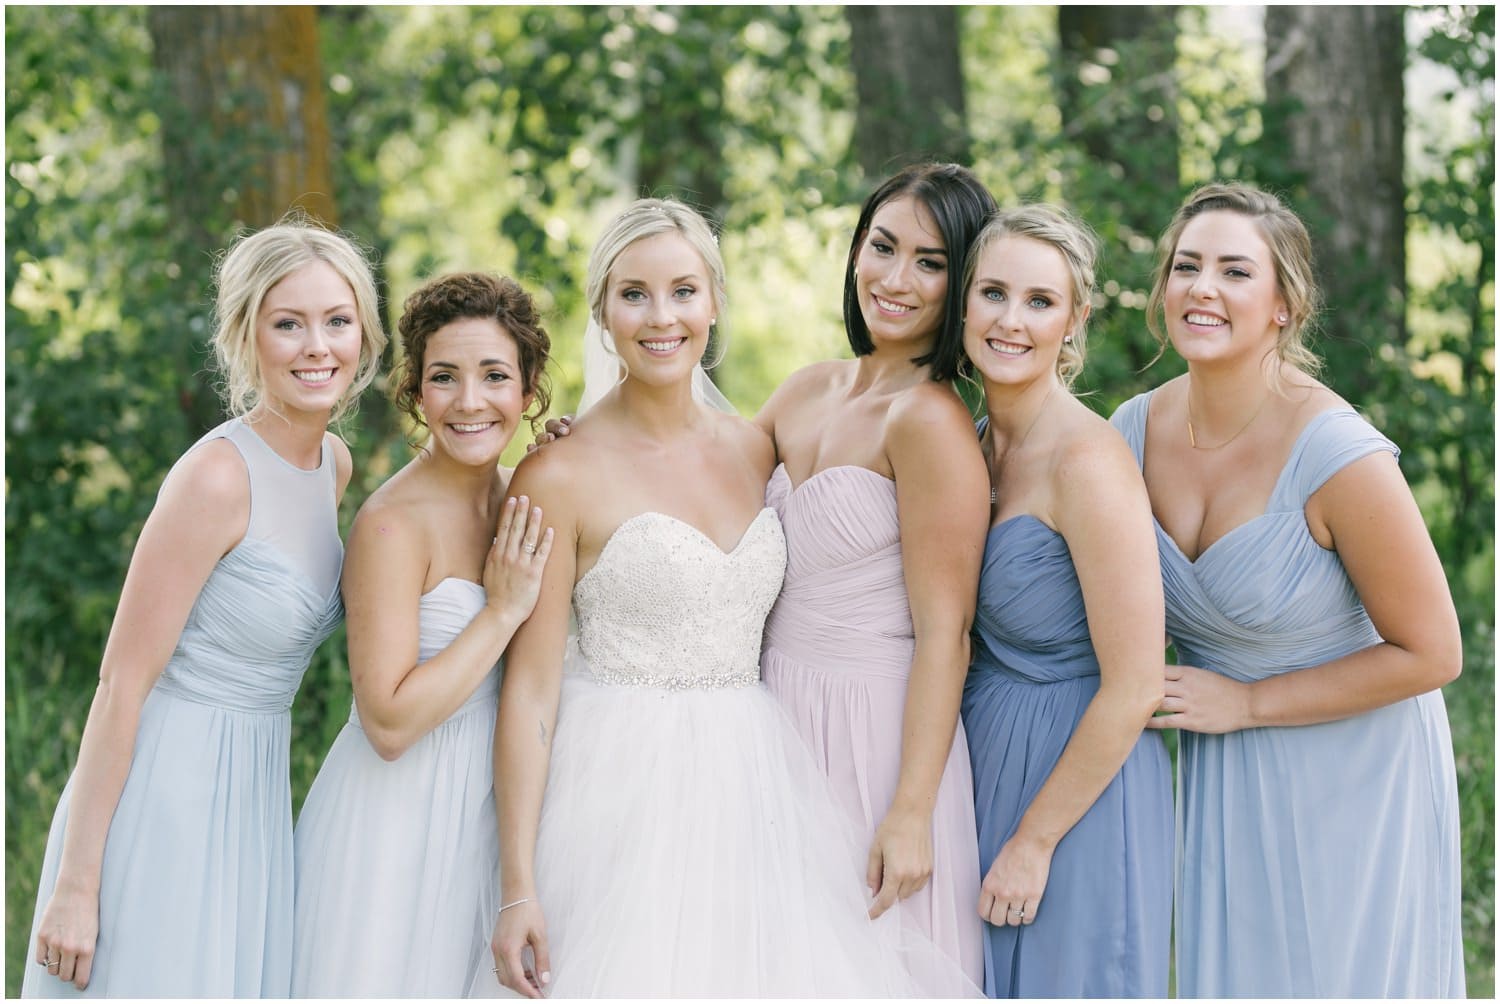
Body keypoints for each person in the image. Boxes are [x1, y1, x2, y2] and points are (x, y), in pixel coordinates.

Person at [483, 198, 978, 998]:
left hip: (761, 782)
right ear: (603, 314)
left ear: (714, 301)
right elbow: (530, 688)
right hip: (620, 791)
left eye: (683, 291)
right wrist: (518, 882)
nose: (660, 317)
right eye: (633, 294)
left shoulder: (753, 447)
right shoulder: (558, 472)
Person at [1111, 182, 1465, 997]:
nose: (1203, 288)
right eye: (1187, 266)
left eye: (1235, 271)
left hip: (1354, 761)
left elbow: (1434, 652)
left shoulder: (1340, 456)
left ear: (1283, 304)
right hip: (1223, 768)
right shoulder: (1131, 431)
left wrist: (1249, 703)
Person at [23, 219, 386, 997]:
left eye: (337, 321)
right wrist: (77, 884)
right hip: (166, 792)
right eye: (288, 324)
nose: (317, 346)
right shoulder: (217, 477)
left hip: (253, 792)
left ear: (365, 332)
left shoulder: (333, 466)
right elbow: (121, 685)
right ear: (247, 337)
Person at [755, 162, 992, 979]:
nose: (894, 278)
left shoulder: (929, 421)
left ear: (961, 283)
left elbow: (946, 633)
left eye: (929, 262)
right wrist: (588, 437)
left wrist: (912, 810)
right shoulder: (805, 390)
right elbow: (696, 493)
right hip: (772, 712)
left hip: (875, 730)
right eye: (882, 246)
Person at [289, 272, 554, 996]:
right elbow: (388, 722)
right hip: (397, 823)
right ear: (415, 392)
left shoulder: (528, 495)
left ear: (528, 390)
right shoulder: (391, 524)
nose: (470, 401)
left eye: (494, 375)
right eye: (445, 377)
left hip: (495, 813)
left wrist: (571, 455)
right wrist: (499, 613)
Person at [957, 205, 1172, 997]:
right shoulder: (971, 439)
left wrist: (1035, 842)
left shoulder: (1088, 459)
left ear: (1075, 317)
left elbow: (1137, 683)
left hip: (1077, 783)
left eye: (1040, 302)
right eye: (994, 294)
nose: (1012, 321)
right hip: (981, 760)